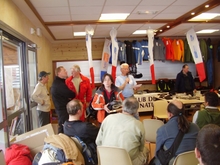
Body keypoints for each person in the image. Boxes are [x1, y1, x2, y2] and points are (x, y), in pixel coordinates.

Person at [96, 97, 148, 165]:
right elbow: (141, 148)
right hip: (128, 161)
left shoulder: (108, 118)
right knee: (146, 150)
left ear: (122, 107)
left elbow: (98, 142)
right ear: (136, 110)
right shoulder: (138, 124)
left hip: (106, 160)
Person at [153, 100, 199, 165]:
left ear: (169, 114)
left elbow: (157, 154)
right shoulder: (195, 127)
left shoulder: (163, 130)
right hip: (194, 161)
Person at [64, 99, 99, 165]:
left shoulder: (65, 125)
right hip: (88, 157)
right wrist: (93, 126)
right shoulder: (85, 127)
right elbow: (100, 134)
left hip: (74, 155)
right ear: (79, 111)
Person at [51, 66, 76, 133]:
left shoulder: (60, 83)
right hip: (63, 110)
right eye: (64, 70)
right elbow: (71, 94)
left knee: (64, 127)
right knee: (63, 128)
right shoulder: (59, 84)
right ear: (59, 73)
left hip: (62, 109)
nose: (66, 71)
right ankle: (61, 142)